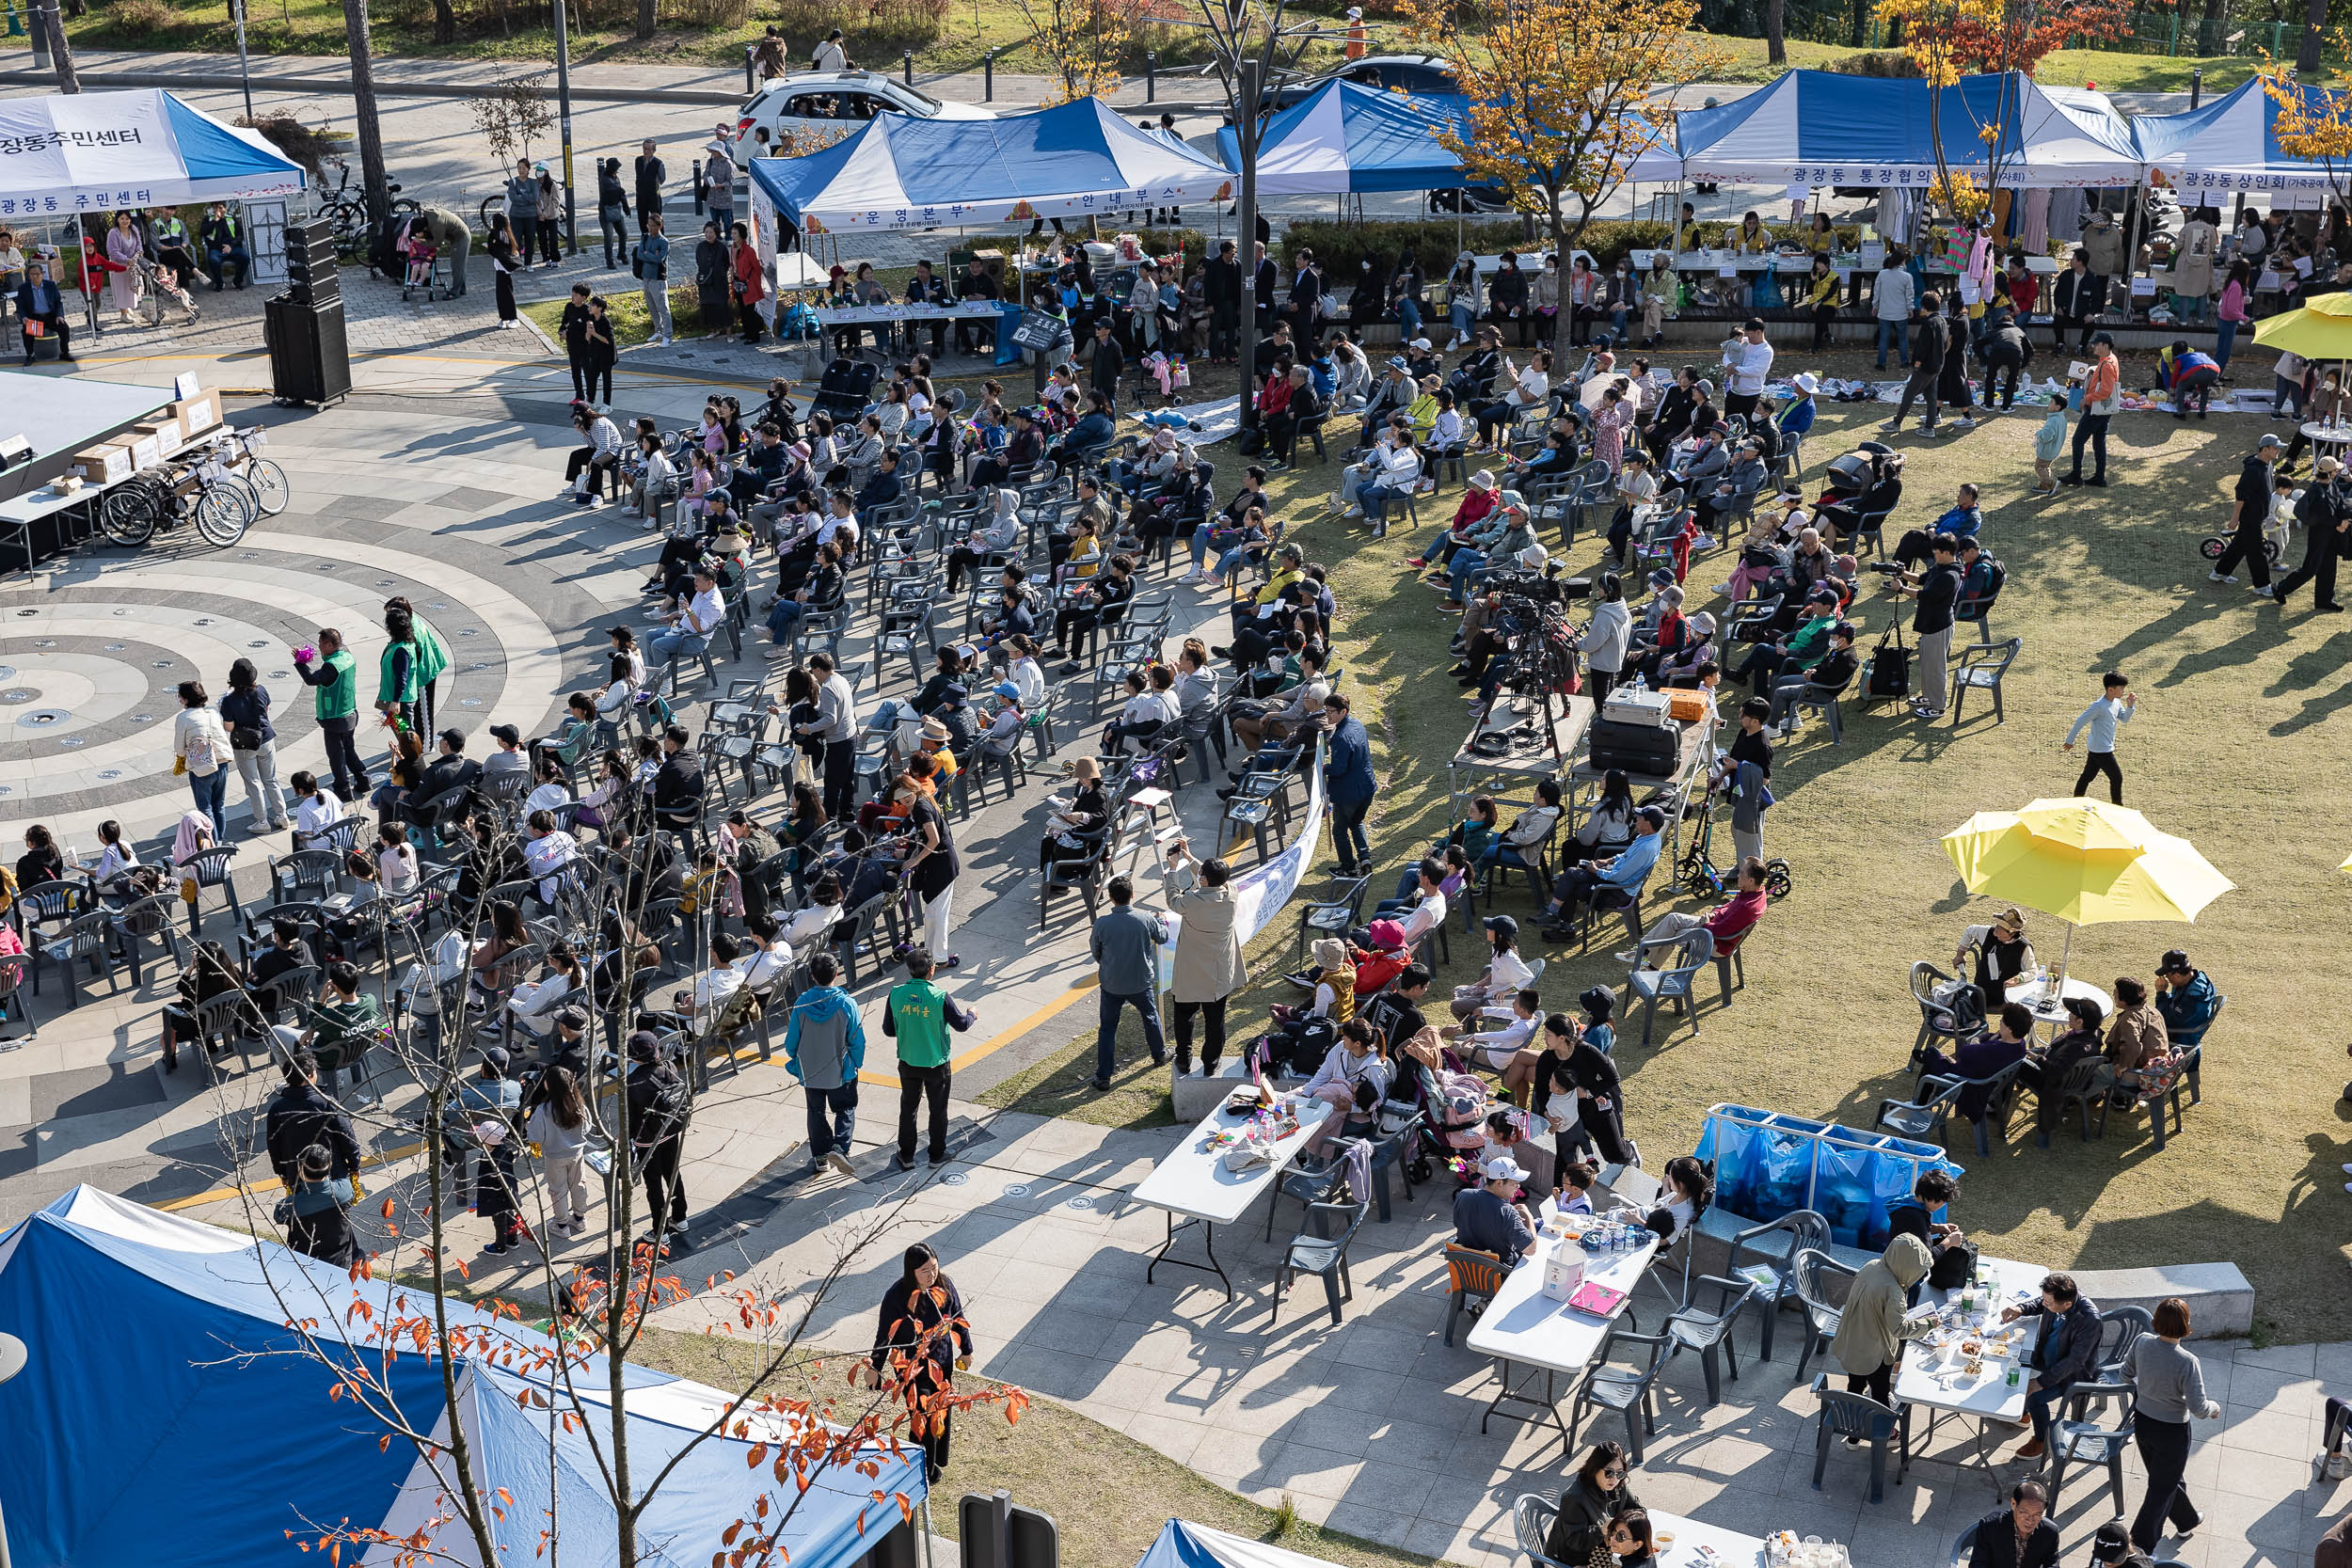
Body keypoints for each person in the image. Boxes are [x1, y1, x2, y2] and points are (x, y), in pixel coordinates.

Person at [2115, 1295, 2222, 1552]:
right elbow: (2198, 1408)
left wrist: (2149, 1389)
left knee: (2165, 1479)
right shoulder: (2187, 1361)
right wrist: (2214, 1408)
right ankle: (2138, 1548)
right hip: (2172, 1432)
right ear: (2186, 1324)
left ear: (2156, 1321)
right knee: (2159, 1490)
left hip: (2143, 1424)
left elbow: (2125, 1374)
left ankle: (2187, 1520)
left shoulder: (2141, 1342)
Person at [867, 1243, 973, 1484]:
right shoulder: (896, 1296)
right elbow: (885, 1334)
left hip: (942, 1361)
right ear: (911, 1271)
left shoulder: (944, 1285)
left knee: (941, 1410)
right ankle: (922, 1470)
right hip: (912, 1366)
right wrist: (875, 1367)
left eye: (934, 1267)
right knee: (921, 1415)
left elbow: (957, 1318)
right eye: (925, 1270)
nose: (931, 1275)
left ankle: (936, 1461)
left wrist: (966, 1350)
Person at [885, 949, 975, 1170]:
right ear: (932, 970)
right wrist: (972, 1013)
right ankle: (936, 1155)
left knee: (908, 1107)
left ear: (908, 970)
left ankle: (906, 1155)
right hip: (937, 1063)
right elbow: (961, 1024)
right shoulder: (939, 997)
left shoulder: (895, 994)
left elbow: (888, 1030)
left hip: (908, 1061)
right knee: (938, 1109)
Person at [2002, 1272, 2104, 1459]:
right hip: (2046, 1358)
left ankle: (2041, 1441)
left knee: (2035, 1397)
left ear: (2067, 1304)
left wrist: (2041, 1382)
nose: (2043, 1304)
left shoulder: (2089, 1320)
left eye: (2048, 1303)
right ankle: (2023, 1414)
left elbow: (2075, 1361)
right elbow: (2038, 1303)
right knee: (2011, 1363)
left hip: (2072, 1374)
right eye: (2044, 1299)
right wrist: (2020, 1308)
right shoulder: (2059, 1298)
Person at [781, 951, 864, 1179]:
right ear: (837, 973)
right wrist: (857, 1062)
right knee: (845, 1108)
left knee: (816, 1112)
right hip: (840, 1069)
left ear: (812, 976)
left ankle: (820, 1158)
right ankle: (840, 1147)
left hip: (810, 1070)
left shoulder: (801, 1003)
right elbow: (857, 1039)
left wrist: (796, 1058)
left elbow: (791, 1042)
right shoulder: (847, 1004)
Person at [1165, 841, 1242, 1076]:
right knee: (1215, 1020)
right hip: (1219, 972)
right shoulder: (1231, 894)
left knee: (1184, 1017)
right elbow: (1216, 878)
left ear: (1204, 880)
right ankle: (1211, 1063)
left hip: (1191, 971)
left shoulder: (1191, 902)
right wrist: (1190, 859)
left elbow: (1172, 899)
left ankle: (1184, 1059)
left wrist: (1172, 869)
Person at [1829, 1232, 1933, 1405]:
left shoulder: (1872, 1265)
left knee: (1855, 1384)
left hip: (1854, 1341)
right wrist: (1928, 1323)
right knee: (1880, 1394)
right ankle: (1881, 1428)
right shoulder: (1894, 1292)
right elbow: (1899, 1329)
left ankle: (1850, 1416)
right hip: (1875, 1353)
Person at [1089, 875, 1168, 1092]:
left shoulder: (1102, 923)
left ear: (1112, 899)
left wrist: (1107, 967)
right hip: (1140, 982)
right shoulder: (1145, 918)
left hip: (1112, 983)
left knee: (1107, 1029)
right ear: (1132, 895)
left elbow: (1096, 951)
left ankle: (1104, 1076)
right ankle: (1160, 1055)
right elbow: (1162, 937)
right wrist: (1160, 919)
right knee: (1150, 1017)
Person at [1890, 532, 1963, 721]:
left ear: (1948, 553)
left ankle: (1938, 706)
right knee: (1926, 664)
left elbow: (1924, 594)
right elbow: (1921, 579)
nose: (1934, 555)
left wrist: (1901, 589)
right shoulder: (1941, 566)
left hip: (1938, 626)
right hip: (1929, 624)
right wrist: (1903, 573)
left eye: (1937, 552)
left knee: (1936, 668)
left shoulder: (1950, 575)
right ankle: (1927, 697)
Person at [2275, 454, 2349, 612]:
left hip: (2331, 533)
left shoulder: (2330, 485)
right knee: (2311, 568)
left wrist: (2344, 519)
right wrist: (2339, 523)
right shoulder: (2316, 491)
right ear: (2330, 472)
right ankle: (2280, 588)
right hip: (2320, 535)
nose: (2337, 472)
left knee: (2329, 567)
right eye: (2335, 470)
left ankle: (2324, 600)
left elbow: (2340, 502)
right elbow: (2321, 516)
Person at [1542, 1444, 1641, 1563]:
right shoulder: (1574, 1498)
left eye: (1620, 1473)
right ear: (1595, 1468)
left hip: (1605, 1550)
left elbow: (1639, 1510)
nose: (1614, 1479)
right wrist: (1602, 1530)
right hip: (1574, 1559)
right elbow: (1575, 1541)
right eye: (1609, 1473)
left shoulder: (1618, 1485)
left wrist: (1624, 1524)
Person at [2212, 432, 2282, 593]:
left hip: (2258, 515)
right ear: (2265, 449)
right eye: (2275, 448)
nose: (2278, 450)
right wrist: (2234, 519)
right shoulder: (2253, 471)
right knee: (2257, 552)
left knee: (2239, 545)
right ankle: (2262, 586)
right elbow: (2241, 496)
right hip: (2251, 517)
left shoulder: (2268, 463)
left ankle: (2220, 572)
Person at [1322, 691, 1375, 878]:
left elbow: (1338, 768)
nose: (1327, 715)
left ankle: (1348, 866)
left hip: (1348, 793)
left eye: (1331, 711)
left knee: (1339, 830)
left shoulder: (1341, 737)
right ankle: (1365, 858)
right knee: (1357, 821)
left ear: (1343, 711)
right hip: (1366, 787)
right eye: (1326, 710)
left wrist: (1325, 767)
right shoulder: (1358, 725)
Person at [1882, 290, 1949, 436]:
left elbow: (1922, 347)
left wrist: (1917, 363)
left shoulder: (1929, 323)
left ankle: (1896, 422)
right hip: (1938, 364)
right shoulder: (1943, 321)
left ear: (1924, 307)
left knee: (1909, 393)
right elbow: (1945, 343)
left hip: (1926, 366)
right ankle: (1929, 427)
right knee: (1931, 395)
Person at [174, 680, 235, 840]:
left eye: (180, 696)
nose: (179, 699)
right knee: (219, 805)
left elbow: (179, 749)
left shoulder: (183, 717)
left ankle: (213, 844)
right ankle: (220, 840)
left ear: (186, 699)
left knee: (205, 808)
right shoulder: (213, 712)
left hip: (202, 766)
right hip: (222, 762)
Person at [2065, 671, 2137, 804]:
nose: (2123, 692)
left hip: (2098, 748)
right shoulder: (2098, 706)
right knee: (2117, 777)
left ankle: (2076, 802)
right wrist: (2070, 741)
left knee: (2087, 776)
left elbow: (2124, 719)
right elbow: (2080, 721)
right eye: (2121, 689)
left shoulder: (2116, 702)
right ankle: (2118, 806)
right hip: (2102, 750)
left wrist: (2130, 706)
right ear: (2110, 689)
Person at [1452, 1154, 1537, 1267]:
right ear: (1499, 1183)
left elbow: (1457, 1223)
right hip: (1499, 1275)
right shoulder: (1507, 1212)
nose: (1518, 1187)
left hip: (1467, 1268)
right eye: (1515, 1183)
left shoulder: (1463, 1195)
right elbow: (1531, 1249)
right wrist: (1529, 1216)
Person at [282, 1143, 359, 1267]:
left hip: (304, 1263)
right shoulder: (343, 1190)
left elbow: (278, 1216)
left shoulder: (290, 1205)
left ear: (300, 1170)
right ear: (330, 1165)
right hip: (341, 1261)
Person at [2060, 332, 2121, 487]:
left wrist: (2086, 399)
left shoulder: (2106, 364)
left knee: (2077, 440)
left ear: (2105, 346)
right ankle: (2099, 478)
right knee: (2099, 443)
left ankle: (2076, 475)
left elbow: (2106, 391)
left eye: (2096, 344)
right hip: (2104, 410)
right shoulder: (2110, 359)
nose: (2093, 346)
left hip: (2096, 409)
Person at [1966, 1481, 2058, 1568]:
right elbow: (1977, 1564)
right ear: (2013, 1504)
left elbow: (2052, 1564)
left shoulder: (2050, 1532)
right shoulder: (1990, 1527)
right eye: (2025, 1513)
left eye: (2037, 1514)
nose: (2030, 1520)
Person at [2153, 950, 2220, 1047]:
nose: (2167, 979)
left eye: (2167, 976)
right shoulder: (2196, 979)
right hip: (2187, 1027)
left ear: (2177, 975)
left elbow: (2166, 1020)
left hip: (2180, 1037)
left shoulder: (2192, 997)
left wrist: (2161, 993)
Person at [13, 260, 72, 363]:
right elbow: (20, 306)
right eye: (32, 274)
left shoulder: (50, 285)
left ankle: (64, 353)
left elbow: (58, 302)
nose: (35, 277)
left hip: (50, 316)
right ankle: (30, 355)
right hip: (35, 317)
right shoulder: (23, 288)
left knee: (64, 328)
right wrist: (24, 317)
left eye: (37, 274)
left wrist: (59, 315)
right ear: (28, 275)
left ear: (42, 274)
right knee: (26, 332)